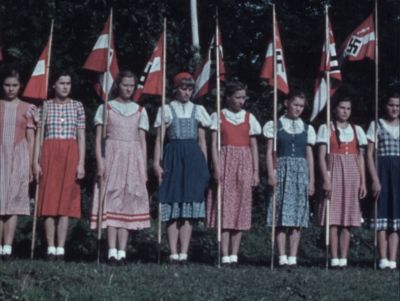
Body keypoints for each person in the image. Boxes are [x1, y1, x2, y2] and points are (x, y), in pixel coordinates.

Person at [90, 70, 150, 264]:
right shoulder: (106, 108)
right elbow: (98, 139)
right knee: (111, 200)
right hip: (112, 157)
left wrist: (143, 168)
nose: (128, 89)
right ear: (118, 85)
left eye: (131, 85)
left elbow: (142, 141)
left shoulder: (140, 110)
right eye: (125, 85)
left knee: (127, 202)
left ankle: (122, 252)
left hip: (132, 159)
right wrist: (100, 162)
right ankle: (111, 250)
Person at [153, 72, 211, 263]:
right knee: (172, 203)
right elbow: (159, 140)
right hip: (174, 156)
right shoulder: (167, 109)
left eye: (189, 89)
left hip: (193, 157)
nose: (186, 93)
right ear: (176, 89)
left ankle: (184, 253)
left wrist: (204, 164)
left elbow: (202, 140)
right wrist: (156, 162)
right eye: (183, 88)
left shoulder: (198, 110)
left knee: (189, 206)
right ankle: (172, 252)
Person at [206, 80, 261, 265]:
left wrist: (255, 171)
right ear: (228, 97)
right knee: (224, 206)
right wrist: (216, 165)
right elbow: (213, 144)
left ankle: (234, 254)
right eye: (237, 97)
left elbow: (253, 146)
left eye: (243, 98)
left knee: (241, 206)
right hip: (226, 160)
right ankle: (224, 253)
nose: (241, 101)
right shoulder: (219, 116)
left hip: (244, 162)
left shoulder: (249, 118)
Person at [34, 70, 85, 260]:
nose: (65, 86)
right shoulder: (45, 106)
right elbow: (39, 136)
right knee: (49, 200)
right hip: (49, 152)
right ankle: (50, 247)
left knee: (65, 202)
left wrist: (81, 163)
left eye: (68, 83)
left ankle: (61, 248)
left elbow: (81, 136)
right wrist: (36, 161)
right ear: (54, 85)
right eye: (62, 83)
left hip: (70, 153)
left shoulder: (77, 106)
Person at [263, 91, 316, 267]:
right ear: (287, 103)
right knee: (280, 214)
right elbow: (270, 151)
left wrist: (312, 180)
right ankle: (281, 256)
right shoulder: (275, 125)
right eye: (295, 105)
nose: (298, 109)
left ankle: (293, 257)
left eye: (301, 106)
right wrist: (271, 173)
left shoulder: (307, 128)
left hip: (300, 172)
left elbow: (309, 155)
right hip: (282, 170)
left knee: (297, 217)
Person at [317, 96, 367, 268]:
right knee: (334, 217)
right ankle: (334, 257)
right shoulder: (326, 128)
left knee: (348, 218)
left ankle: (343, 258)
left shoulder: (356, 129)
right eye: (342, 108)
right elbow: (321, 157)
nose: (345, 111)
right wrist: (326, 179)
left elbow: (361, 158)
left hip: (352, 174)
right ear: (335, 109)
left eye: (348, 108)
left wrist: (363, 182)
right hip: (334, 172)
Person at [0, 69, 37, 260]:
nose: (11, 89)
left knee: (12, 203)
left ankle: (7, 247)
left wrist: (31, 164)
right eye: (7, 85)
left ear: (20, 86)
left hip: (19, 156)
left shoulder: (27, 108)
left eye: (14, 85)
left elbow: (31, 139)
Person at [366, 92, 399, 270]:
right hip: (382, 174)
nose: (394, 108)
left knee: (396, 219)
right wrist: (374, 179)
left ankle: (393, 259)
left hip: (398, 175)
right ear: (385, 106)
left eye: (398, 105)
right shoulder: (376, 124)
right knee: (382, 216)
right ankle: (383, 257)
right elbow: (369, 155)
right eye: (391, 104)